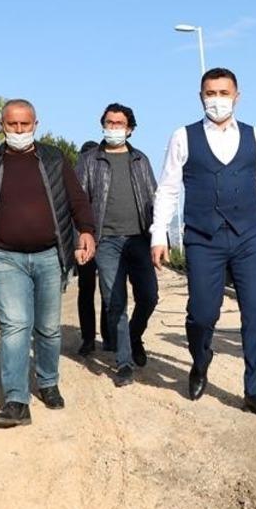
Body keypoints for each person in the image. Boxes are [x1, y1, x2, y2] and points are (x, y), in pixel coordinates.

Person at [150, 67, 256, 416]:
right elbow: (167, 188)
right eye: (210, 93)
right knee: (201, 313)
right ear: (200, 97)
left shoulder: (255, 136)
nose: (217, 100)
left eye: (224, 93)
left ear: (237, 96)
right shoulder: (183, 136)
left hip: (248, 237)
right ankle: (200, 358)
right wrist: (159, 234)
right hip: (203, 238)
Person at [0, 99, 96, 429]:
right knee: (15, 326)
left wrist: (86, 230)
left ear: (36, 124)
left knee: (47, 328)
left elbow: (76, 198)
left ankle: (48, 383)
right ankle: (17, 401)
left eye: (25, 124)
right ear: (2, 126)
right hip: (5, 258)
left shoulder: (53, 159)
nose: (19, 130)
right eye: (12, 125)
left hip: (50, 255)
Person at [76, 103, 160, 387]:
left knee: (149, 296)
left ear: (130, 129)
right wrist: (83, 237)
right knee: (115, 301)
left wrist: (160, 238)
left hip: (139, 240)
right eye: (109, 123)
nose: (113, 128)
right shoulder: (89, 161)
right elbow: (79, 203)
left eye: (119, 124)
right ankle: (124, 362)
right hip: (107, 242)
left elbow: (154, 198)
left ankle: (134, 335)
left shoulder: (140, 160)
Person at [75, 141, 114, 356]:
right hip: (85, 242)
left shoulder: (106, 179)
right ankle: (90, 338)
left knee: (107, 289)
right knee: (88, 289)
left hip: (107, 240)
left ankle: (105, 336)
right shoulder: (76, 182)